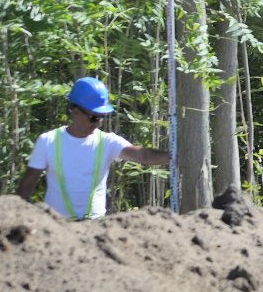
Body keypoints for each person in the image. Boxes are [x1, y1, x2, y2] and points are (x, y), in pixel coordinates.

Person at [16, 77, 170, 219]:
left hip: (96, 229)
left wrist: (172, 157)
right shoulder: (48, 141)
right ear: (75, 112)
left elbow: (142, 155)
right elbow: (25, 190)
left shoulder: (107, 142)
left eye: (101, 117)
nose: (97, 123)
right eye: (94, 117)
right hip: (57, 229)